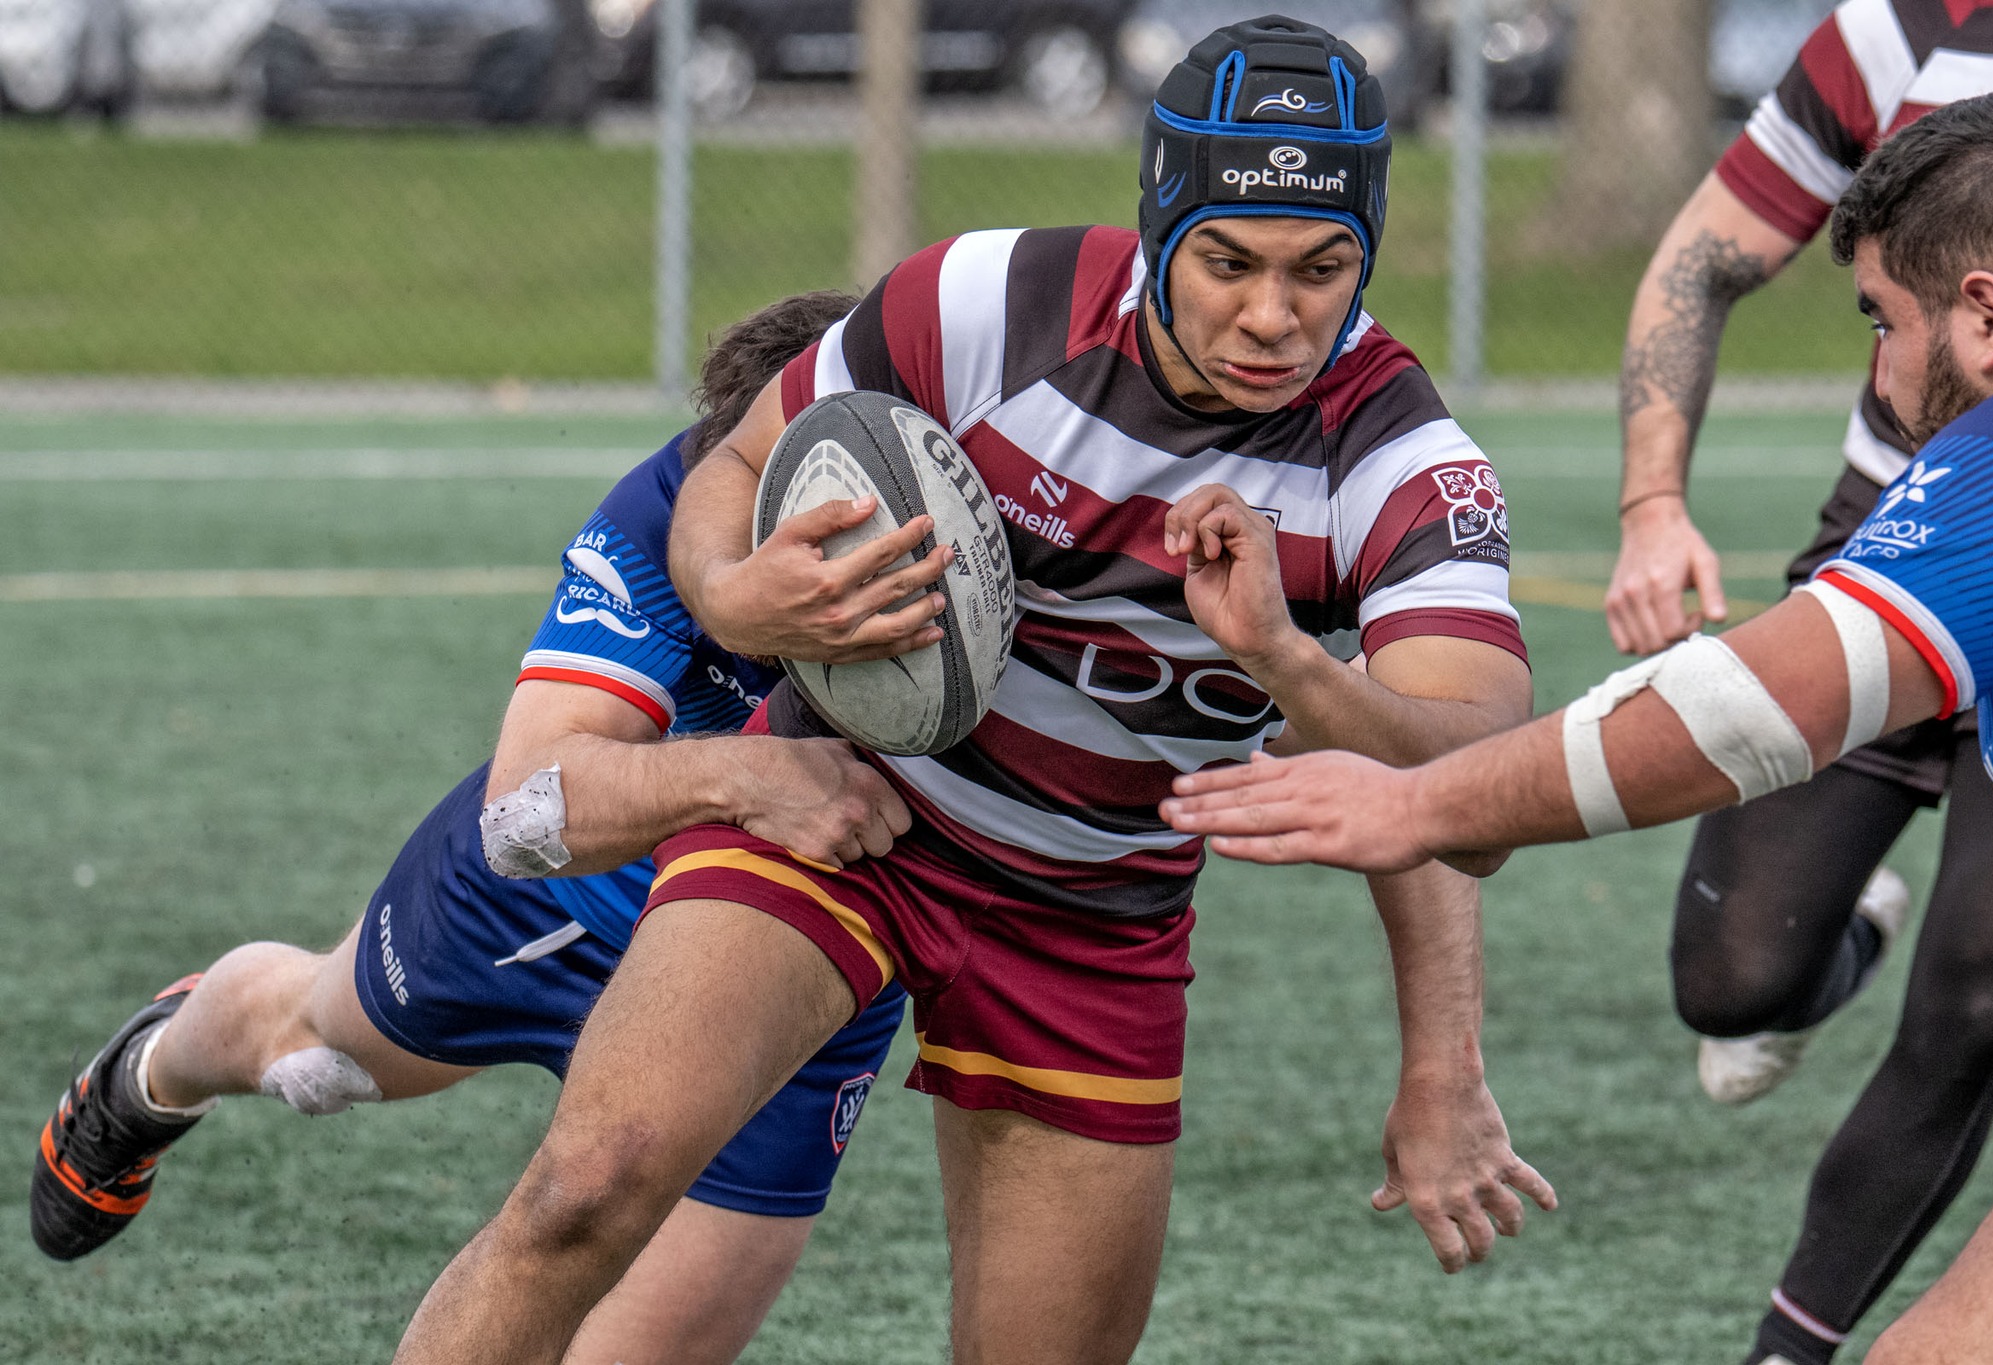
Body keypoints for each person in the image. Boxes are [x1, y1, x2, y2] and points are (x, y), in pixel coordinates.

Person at [387, 17, 1555, 1364]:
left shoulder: (1408, 465)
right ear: (1162, 220)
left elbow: (1479, 793)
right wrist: (729, 592)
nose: (1274, 316)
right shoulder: (984, 305)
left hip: (1095, 921)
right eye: (1229, 262)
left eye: (1323, 268)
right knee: (585, 1187)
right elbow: (730, 466)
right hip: (851, 823)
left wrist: (1289, 658)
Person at [1164, 88, 1993, 1365]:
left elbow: (1746, 711)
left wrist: (1418, 802)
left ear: (1983, 314)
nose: (1877, 369)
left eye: (1880, 320)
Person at [31, 291, 916, 1365]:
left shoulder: (975, 532)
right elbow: (522, 814)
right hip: (555, 901)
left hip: (796, 967)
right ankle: (157, 1068)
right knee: (317, 1054)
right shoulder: (664, 517)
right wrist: (744, 773)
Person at [1601, 4, 1993, 1360]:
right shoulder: (1902, 28)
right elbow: (1700, 258)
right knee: (1732, 976)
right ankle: (1847, 931)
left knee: (1977, 989)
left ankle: (1785, 1350)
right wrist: (1650, 502)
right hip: (1899, 524)